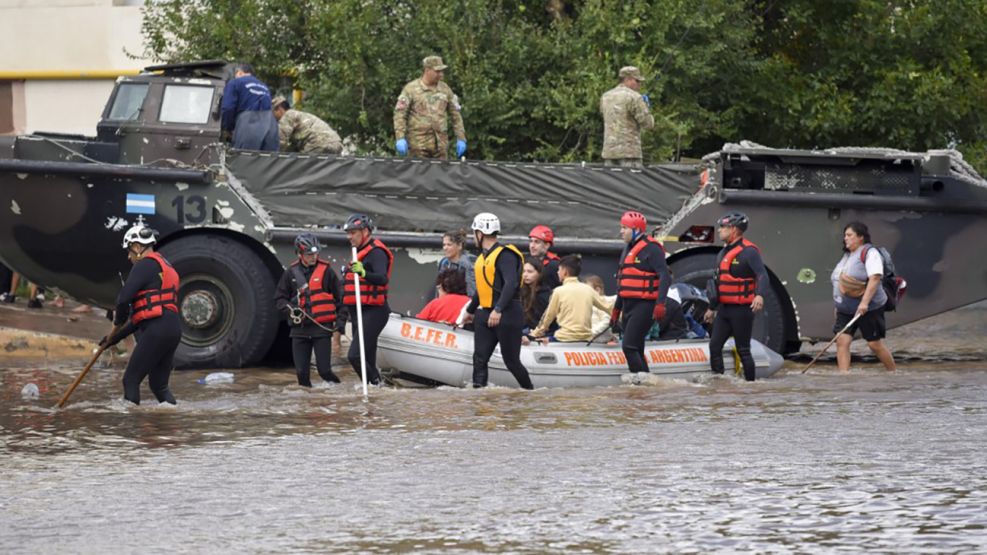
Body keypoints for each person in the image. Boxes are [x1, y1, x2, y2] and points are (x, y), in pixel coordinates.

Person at [99, 224, 181, 405]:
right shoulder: (164, 266)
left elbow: (122, 300)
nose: (129, 257)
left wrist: (116, 323)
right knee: (159, 386)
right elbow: (141, 318)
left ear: (137, 247)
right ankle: (170, 424)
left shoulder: (145, 264)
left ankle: (131, 426)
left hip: (157, 331)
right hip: (172, 330)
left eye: (129, 251)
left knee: (130, 380)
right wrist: (113, 338)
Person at [461, 212, 534, 389]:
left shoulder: (505, 255)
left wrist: (498, 309)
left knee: (512, 362)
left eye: (474, 232)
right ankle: (479, 398)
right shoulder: (482, 259)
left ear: (481, 233)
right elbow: (483, 290)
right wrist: (470, 311)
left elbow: (511, 283)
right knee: (479, 359)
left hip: (507, 314)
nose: (473, 237)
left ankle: (530, 393)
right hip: (485, 313)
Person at [703, 212, 770, 381]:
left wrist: (759, 295)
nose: (719, 231)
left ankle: (750, 385)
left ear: (733, 229)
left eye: (723, 227)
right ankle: (719, 381)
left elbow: (762, 275)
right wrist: (712, 308)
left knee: (743, 350)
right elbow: (718, 283)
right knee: (714, 346)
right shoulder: (723, 253)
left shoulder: (749, 252)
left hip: (742, 310)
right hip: (725, 310)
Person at [274, 233, 344, 387]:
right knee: (301, 374)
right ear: (299, 254)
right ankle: (307, 407)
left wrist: (340, 322)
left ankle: (339, 393)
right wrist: (291, 310)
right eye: (309, 254)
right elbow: (279, 299)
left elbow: (341, 299)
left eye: (316, 253)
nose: (314, 257)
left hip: (321, 330)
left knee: (324, 371)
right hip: (299, 330)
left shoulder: (327, 272)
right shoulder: (290, 274)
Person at [831, 221, 897, 372]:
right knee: (842, 341)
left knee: (874, 344)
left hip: (868, 307)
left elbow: (875, 278)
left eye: (849, 235)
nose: (845, 238)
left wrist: (864, 303)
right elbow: (838, 280)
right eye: (845, 235)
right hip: (845, 309)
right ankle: (844, 377)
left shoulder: (869, 253)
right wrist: (838, 305)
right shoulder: (847, 255)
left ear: (860, 237)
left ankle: (893, 372)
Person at [610, 210, 670, 373]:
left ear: (636, 229)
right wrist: (616, 310)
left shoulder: (652, 248)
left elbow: (665, 276)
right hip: (629, 305)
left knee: (629, 347)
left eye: (624, 228)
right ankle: (645, 386)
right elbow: (623, 284)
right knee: (637, 347)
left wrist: (660, 304)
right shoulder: (627, 249)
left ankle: (639, 382)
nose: (621, 231)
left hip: (645, 305)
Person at [341, 214, 393, 386]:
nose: (349, 237)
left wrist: (363, 273)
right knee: (367, 360)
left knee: (355, 356)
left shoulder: (377, 252)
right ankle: (374, 395)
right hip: (358, 312)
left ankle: (378, 385)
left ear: (365, 232)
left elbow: (382, 278)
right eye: (348, 233)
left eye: (353, 232)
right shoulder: (358, 251)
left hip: (374, 312)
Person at [393, 55, 467, 160]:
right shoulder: (411, 89)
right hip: (418, 146)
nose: (441, 74)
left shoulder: (445, 89)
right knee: (418, 175)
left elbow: (455, 115)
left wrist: (461, 138)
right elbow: (400, 115)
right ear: (427, 70)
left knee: (440, 175)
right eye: (437, 71)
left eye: (442, 71)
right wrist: (400, 137)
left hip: (440, 147)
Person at [530, 255, 612, 343]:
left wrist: (535, 334)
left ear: (564, 271)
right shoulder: (588, 290)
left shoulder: (558, 291)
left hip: (564, 338)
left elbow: (547, 318)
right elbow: (608, 307)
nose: (557, 272)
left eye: (559, 269)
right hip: (586, 339)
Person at [600, 66, 655, 168]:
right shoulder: (634, 97)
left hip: (609, 153)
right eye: (637, 81)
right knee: (632, 183)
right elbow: (648, 124)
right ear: (628, 79)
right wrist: (646, 108)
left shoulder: (605, 97)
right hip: (630, 154)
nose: (639, 84)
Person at [220, 62, 279, 151]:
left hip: (248, 125)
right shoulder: (264, 86)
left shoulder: (235, 83)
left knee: (243, 160)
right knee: (268, 161)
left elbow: (228, 108)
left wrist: (227, 128)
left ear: (239, 73)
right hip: (271, 126)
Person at [271, 95, 343, 155]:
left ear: (280, 109)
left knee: (299, 167)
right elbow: (292, 148)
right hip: (336, 143)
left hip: (318, 143)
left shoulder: (287, 116)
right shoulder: (300, 114)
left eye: (273, 112)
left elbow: (281, 143)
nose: (273, 117)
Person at [438, 229, 476, 297]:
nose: (445, 248)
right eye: (444, 245)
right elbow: (439, 288)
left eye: (449, 245)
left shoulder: (467, 264)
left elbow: (471, 292)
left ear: (459, 246)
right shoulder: (443, 262)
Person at [519, 260, 552, 333]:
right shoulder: (520, 291)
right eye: (524, 271)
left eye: (530, 272)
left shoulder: (545, 294)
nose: (525, 275)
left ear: (539, 273)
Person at [584, 274, 616, 342]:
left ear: (597, 290)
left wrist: (591, 333)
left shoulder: (606, 302)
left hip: (602, 343)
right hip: (590, 342)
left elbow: (606, 321)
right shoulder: (589, 304)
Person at [528, 225, 561, 289]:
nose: (532, 245)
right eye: (531, 241)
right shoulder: (525, 261)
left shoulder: (554, 265)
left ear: (547, 245)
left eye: (536, 242)